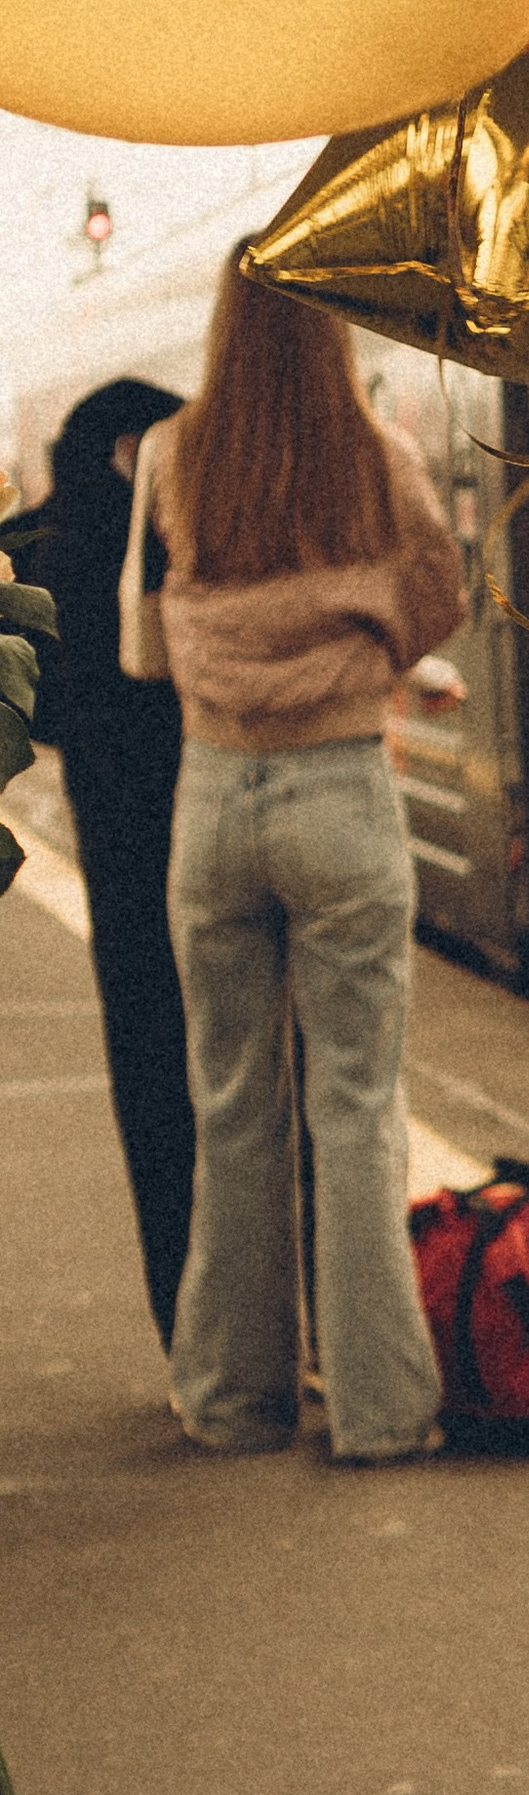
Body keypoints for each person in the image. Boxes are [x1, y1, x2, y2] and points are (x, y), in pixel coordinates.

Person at [149, 265, 462, 1463]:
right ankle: (381, 1414)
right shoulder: (373, 451)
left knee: (233, 1111)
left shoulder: (177, 455)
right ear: (330, 327)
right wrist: (364, 641)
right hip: (338, 789)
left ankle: (234, 1400)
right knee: (356, 1110)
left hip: (213, 797)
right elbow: (434, 598)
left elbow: (143, 633)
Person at [1, 377, 194, 1339]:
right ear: (135, 446)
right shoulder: (175, 533)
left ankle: (182, 1320)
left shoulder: (31, 547)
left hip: (115, 849)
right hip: (207, 821)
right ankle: (289, 1319)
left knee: (151, 1072)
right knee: (253, 1079)